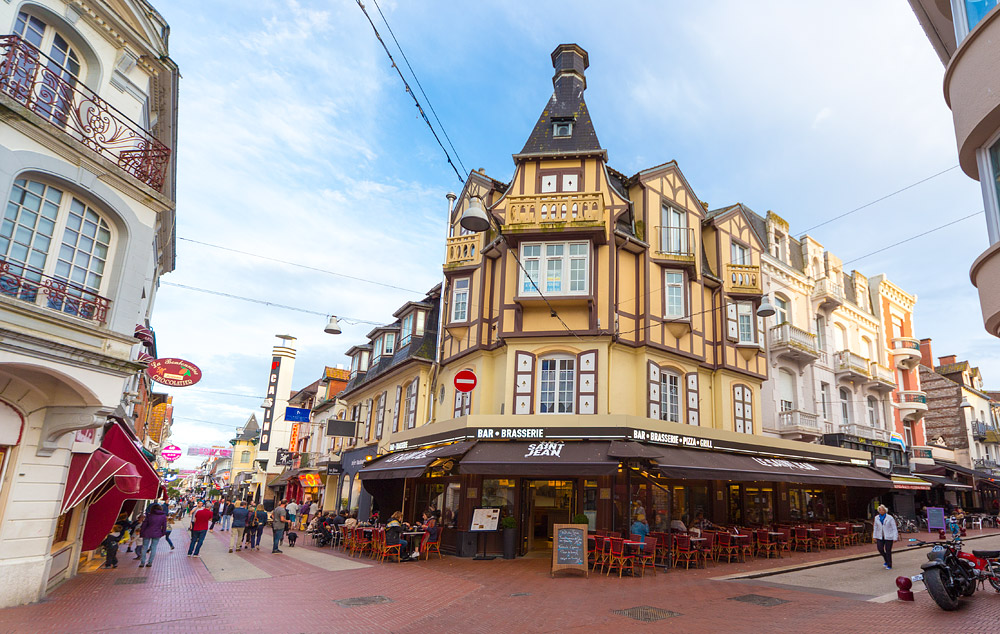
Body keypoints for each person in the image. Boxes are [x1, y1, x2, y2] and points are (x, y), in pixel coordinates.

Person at [138, 503, 167, 568]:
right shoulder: (163, 516)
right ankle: (150, 562)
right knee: (153, 547)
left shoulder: (149, 515)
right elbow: (164, 526)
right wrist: (163, 533)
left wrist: (141, 532)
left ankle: (142, 562)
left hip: (147, 532)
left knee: (144, 547)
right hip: (157, 533)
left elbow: (144, 525)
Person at [872, 504, 898, 570]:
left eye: (883, 510)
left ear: (885, 510)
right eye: (880, 510)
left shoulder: (890, 518)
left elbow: (894, 528)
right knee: (880, 548)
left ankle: (889, 564)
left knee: (888, 550)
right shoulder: (876, 518)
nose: (881, 511)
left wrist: (895, 537)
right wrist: (874, 536)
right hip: (880, 536)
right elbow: (875, 527)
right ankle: (886, 560)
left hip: (888, 536)